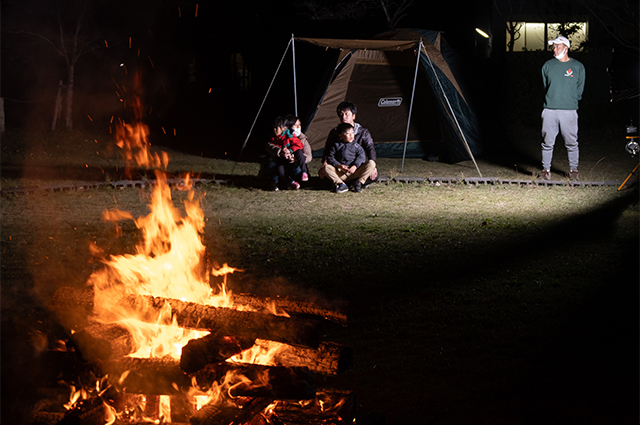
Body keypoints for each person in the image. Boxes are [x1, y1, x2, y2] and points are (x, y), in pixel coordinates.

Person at [540, 35, 586, 181]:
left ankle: (573, 170)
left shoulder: (578, 67)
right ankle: (546, 170)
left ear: (566, 48)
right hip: (549, 110)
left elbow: (580, 88)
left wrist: (572, 101)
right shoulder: (547, 65)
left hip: (569, 110)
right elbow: (545, 86)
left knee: (572, 142)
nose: (554, 49)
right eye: (553, 46)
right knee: (547, 142)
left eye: (557, 46)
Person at [319, 101, 378, 185]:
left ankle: (352, 183)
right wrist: (324, 164)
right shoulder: (335, 132)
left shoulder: (363, 132)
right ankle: (345, 183)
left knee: (374, 175)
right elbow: (328, 149)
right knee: (325, 172)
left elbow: (370, 148)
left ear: (353, 116)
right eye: (341, 114)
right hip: (340, 168)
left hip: (357, 167)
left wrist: (373, 166)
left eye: (347, 114)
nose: (344, 117)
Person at [324, 123, 375, 193]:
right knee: (326, 168)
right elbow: (330, 157)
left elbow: (361, 157)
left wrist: (355, 166)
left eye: (352, 133)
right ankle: (341, 184)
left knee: (371, 163)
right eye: (348, 134)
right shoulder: (336, 146)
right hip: (341, 172)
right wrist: (339, 165)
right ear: (341, 136)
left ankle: (359, 183)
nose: (351, 135)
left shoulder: (356, 146)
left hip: (354, 172)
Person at [265, 116, 303, 191]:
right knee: (275, 164)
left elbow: (302, 148)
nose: (274, 129)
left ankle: (297, 180)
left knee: (296, 168)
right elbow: (269, 146)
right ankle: (275, 181)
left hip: (291, 161)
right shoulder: (273, 137)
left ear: (284, 128)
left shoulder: (291, 136)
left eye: (276, 128)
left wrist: (292, 154)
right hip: (280, 160)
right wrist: (281, 151)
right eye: (274, 127)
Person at [285, 114, 312, 182]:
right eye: (295, 125)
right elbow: (270, 146)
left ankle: (302, 177)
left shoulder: (303, 138)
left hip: (296, 165)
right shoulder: (283, 137)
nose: (298, 127)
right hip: (284, 163)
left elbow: (309, 156)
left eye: (299, 125)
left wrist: (297, 159)